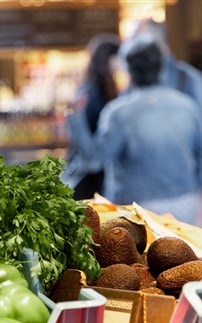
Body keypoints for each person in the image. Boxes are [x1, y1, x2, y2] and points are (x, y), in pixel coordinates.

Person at [68, 35, 202, 223]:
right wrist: (194, 186)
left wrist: (75, 117)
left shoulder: (118, 113)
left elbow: (94, 160)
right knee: (183, 252)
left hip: (136, 208)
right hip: (184, 203)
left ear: (128, 71)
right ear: (162, 66)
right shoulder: (188, 106)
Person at [131, 19, 202, 151]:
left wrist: (196, 171)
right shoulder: (134, 82)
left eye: (138, 42)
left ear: (162, 46)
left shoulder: (190, 80)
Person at [61, 34, 122, 200]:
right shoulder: (91, 92)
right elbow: (84, 140)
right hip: (89, 171)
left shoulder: (100, 88)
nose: (121, 63)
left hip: (95, 170)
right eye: (118, 57)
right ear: (109, 59)